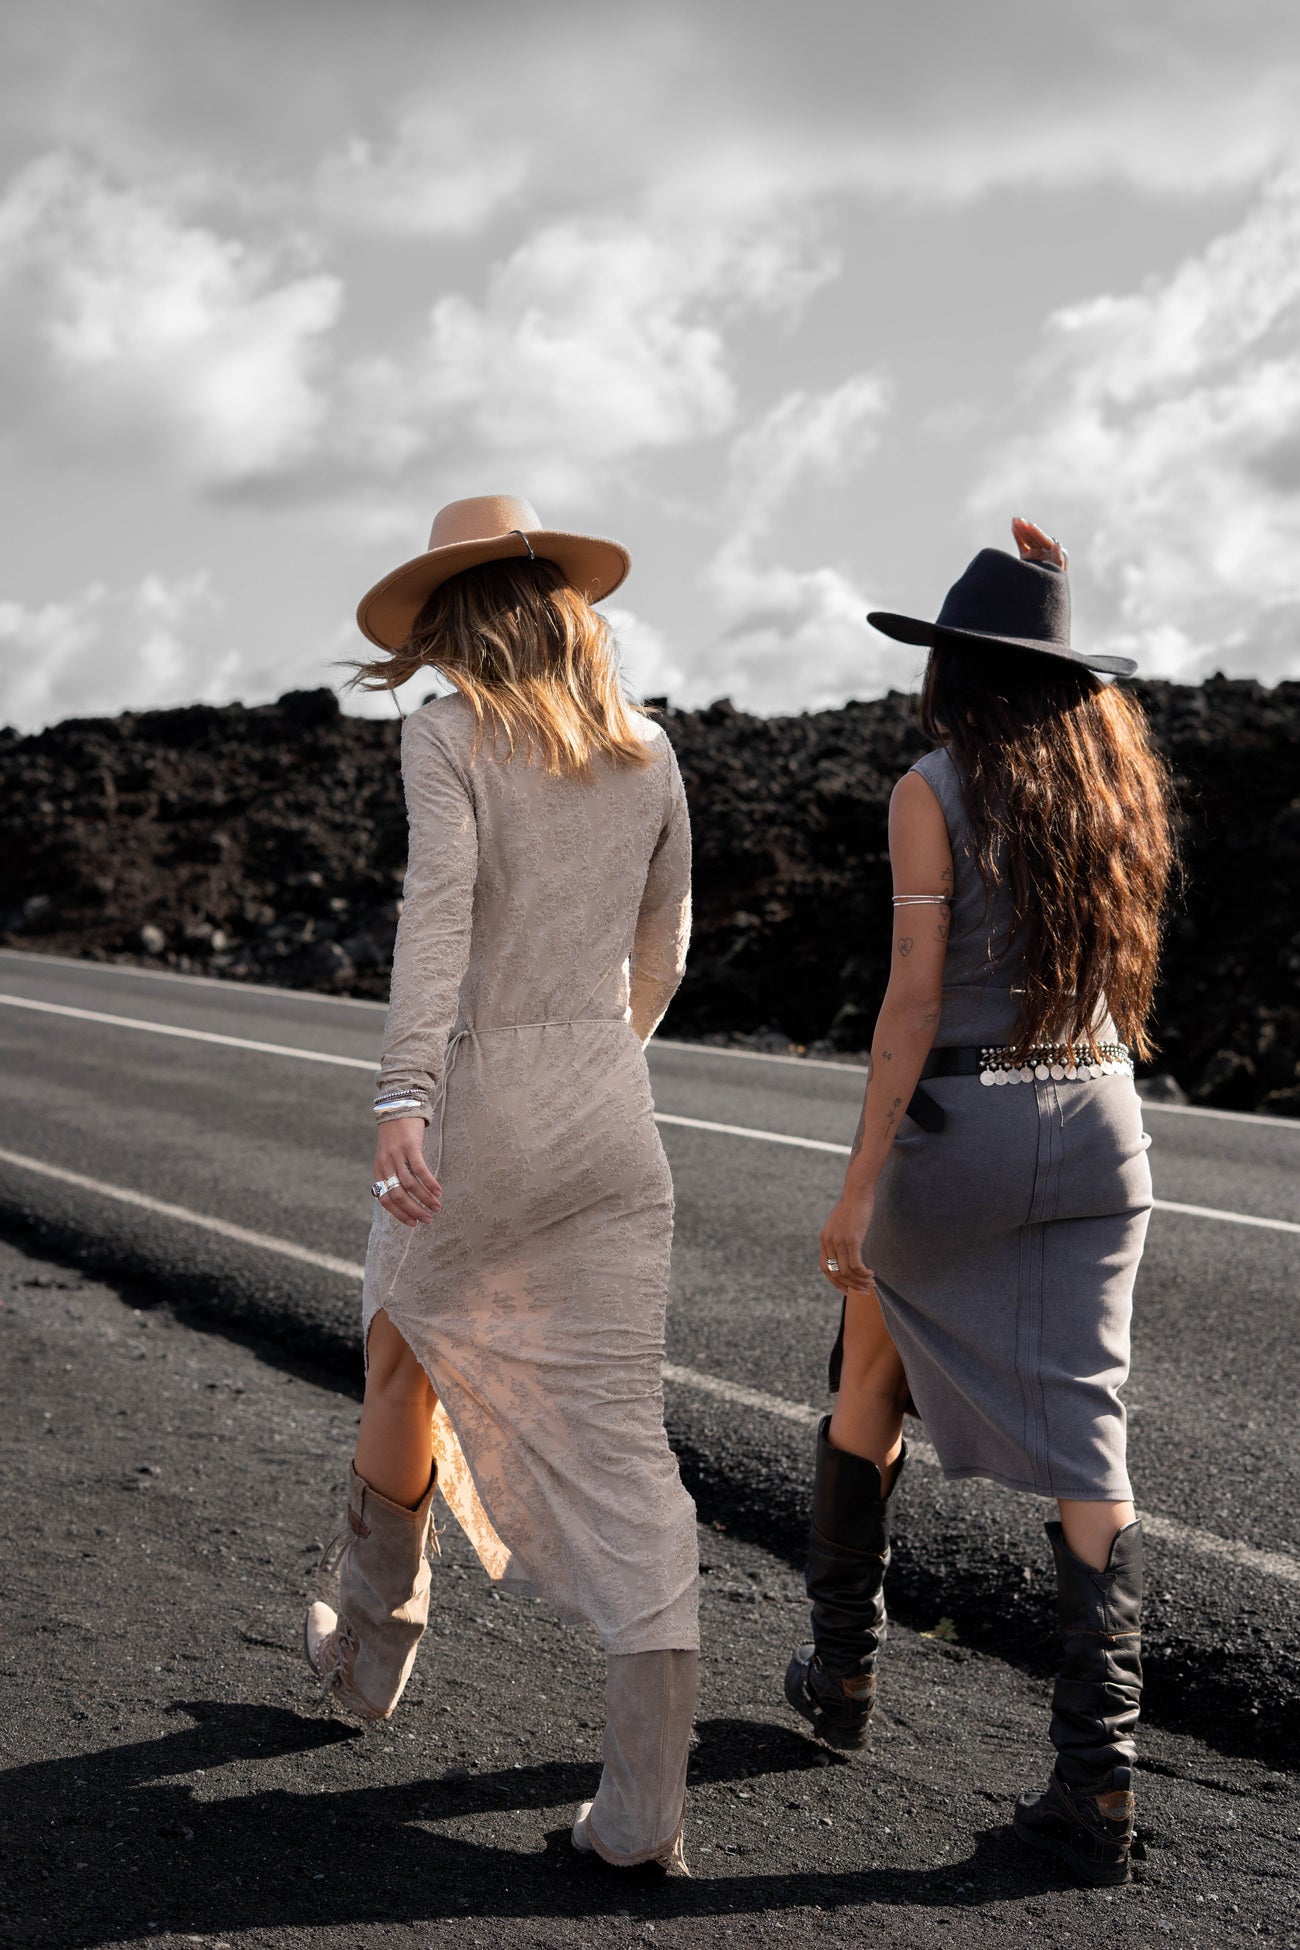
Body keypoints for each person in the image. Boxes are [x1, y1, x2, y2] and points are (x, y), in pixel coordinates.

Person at [303, 495, 699, 1876]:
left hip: (480, 1104)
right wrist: (594, 1062)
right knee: (626, 1447)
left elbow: (437, 917)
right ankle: (642, 1817)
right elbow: (665, 949)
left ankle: (369, 1655)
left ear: (456, 620)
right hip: (612, 1114)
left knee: (399, 1350)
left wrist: (404, 1094)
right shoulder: (651, 748)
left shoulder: (448, 734)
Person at [783, 517, 1174, 1888]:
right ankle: (1098, 1784)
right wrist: (1054, 585)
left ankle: (841, 1674)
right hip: (1103, 1124)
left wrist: (856, 1190)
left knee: (868, 1366)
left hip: (966, 1127)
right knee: (1091, 1440)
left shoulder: (932, 788)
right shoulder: (1114, 788)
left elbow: (910, 1003)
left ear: (952, 667)